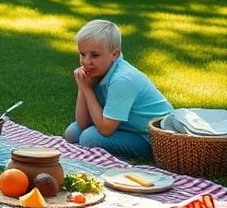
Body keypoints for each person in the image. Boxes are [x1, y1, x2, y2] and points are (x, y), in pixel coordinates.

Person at [63, 19, 173, 157]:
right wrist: (83, 86)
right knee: (73, 132)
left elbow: (106, 129)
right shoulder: (99, 69)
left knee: (88, 137)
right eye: (82, 54)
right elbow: (83, 122)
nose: (86, 62)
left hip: (152, 138)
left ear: (114, 54)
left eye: (95, 55)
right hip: (125, 127)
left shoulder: (122, 79)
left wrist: (87, 90)